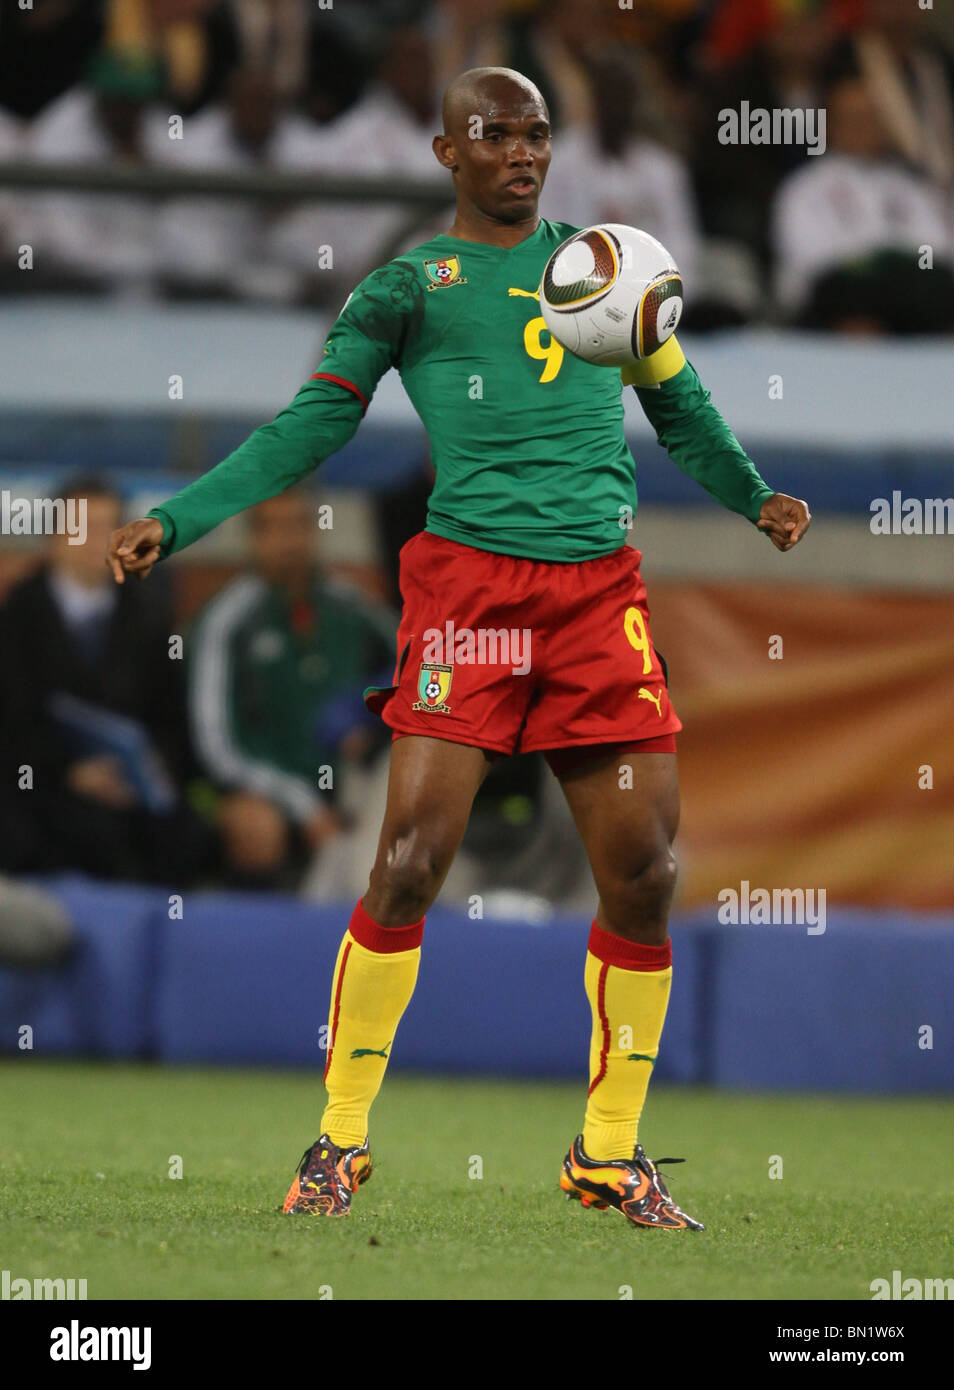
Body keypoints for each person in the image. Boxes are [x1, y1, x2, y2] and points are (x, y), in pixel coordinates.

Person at [107, 67, 811, 1231]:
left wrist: (755, 495)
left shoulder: (607, 264)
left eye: (538, 134)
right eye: (496, 134)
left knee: (644, 873)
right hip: (470, 597)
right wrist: (179, 517)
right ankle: (338, 1139)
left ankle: (609, 1153)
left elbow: (678, 400)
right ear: (447, 152)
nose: (522, 153)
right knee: (408, 861)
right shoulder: (408, 289)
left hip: (599, 600)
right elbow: (309, 424)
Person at [0, 476, 210, 884]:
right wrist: (68, 772)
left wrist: (144, 773)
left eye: (109, 528)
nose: (98, 540)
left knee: (186, 836)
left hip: (131, 792)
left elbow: (172, 720)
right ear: (55, 538)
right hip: (41, 790)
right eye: (85, 527)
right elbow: (11, 721)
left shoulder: (148, 617)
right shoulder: (17, 617)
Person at [187, 488, 396, 889]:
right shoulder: (226, 620)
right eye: (276, 529)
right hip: (264, 789)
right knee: (257, 827)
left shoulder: (351, 604)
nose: (290, 542)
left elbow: (422, 662)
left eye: (300, 526)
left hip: (354, 781)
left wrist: (371, 721)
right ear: (255, 538)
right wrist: (303, 806)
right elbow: (216, 747)